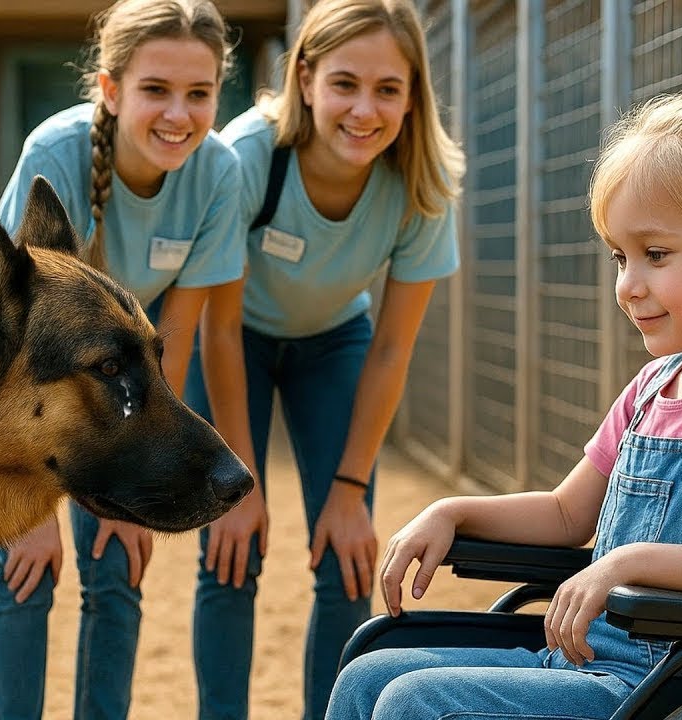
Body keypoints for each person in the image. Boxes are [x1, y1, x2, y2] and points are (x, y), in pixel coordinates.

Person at [325, 76, 682, 720]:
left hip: (676, 684)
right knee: (368, 674)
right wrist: (454, 511)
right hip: (586, 667)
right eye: (618, 257)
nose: (628, 285)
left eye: (655, 254)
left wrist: (630, 563)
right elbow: (566, 514)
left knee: (416, 703)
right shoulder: (654, 387)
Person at [180, 1, 465, 718]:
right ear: (304, 79)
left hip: (335, 341)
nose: (364, 110)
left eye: (388, 89)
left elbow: (394, 345)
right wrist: (239, 490)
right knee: (230, 552)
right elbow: (215, 330)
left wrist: (350, 487)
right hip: (233, 337)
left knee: (347, 557)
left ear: (413, 94)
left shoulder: (422, 184)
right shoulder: (247, 156)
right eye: (345, 83)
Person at [0, 2, 255, 719]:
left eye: (199, 94)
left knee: (118, 562)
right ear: (109, 89)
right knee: (26, 566)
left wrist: (148, 476)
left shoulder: (219, 174)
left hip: (131, 381)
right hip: (46, 382)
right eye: (156, 90)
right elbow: (13, 340)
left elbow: (181, 338)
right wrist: (31, 512)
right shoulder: (54, 153)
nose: (179, 113)